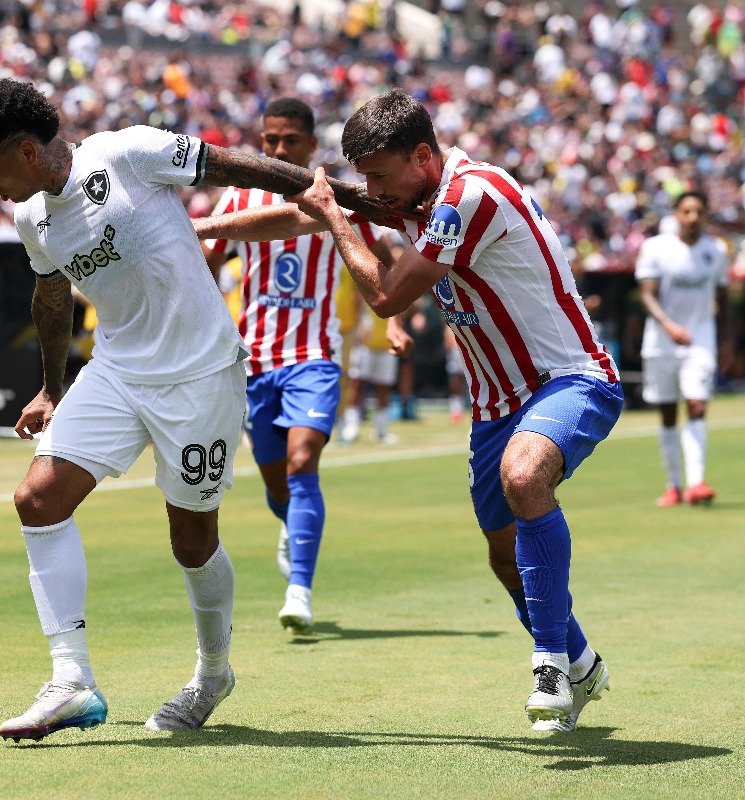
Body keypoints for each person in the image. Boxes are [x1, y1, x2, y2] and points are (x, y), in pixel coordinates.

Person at [0, 78, 404, 743]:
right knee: (37, 499)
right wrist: (51, 388)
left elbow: (230, 164)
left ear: (23, 150)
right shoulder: (29, 217)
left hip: (201, 375)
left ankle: (213, 673)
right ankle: (71, 680)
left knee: (192, 541)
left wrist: (325, 190)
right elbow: (51, 303)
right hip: (118, 368)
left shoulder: (127, 154)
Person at [202, 88, 622, 734]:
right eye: (364, 178)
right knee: (504, 558)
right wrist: (209, 226)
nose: (372, 190)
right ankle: (580, 659)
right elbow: (292, 220)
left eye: (377, 177)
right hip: (494, 403)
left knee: (524, 476)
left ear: (422, 156)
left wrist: (338, 217)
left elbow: (387, 296)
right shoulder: (409, 195)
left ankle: (550, 666)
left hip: (568, 377)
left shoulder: (466, 196)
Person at [200, 97, 411, 634]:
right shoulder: (239, 195)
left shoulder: (335, 200)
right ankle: (291, 528)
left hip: (314, 354)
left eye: (290, 141)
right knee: (278, 485)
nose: (277, 150)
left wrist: (395, 321)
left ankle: (301, 590)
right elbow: (206, 265)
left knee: (301, 465)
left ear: (310, 146)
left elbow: (388, 261)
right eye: (270, 140)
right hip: (254, 360)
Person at [636, 191, 731, 507]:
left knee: (697, 406)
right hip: (661, 343)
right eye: (687, 211)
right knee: (667, 414)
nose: (693, 217)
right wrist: (669, 325)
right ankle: (673, 485)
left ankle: (697, 483)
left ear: (706, 215)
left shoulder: (715, 250)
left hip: (700, 341)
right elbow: (647, 294)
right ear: (676, 214)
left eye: (699, 212)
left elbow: (724, 296)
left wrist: (728, 341)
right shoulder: (656, 248)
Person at [343, 286, 412, 446]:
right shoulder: (365, 278)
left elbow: (404, 307)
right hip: (365, 341)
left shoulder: (395, 277)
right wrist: (357, 329)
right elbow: (356, 303)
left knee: (384, 387)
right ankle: (351, 426)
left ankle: (381, 430)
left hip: (388, 341)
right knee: (357, 383)